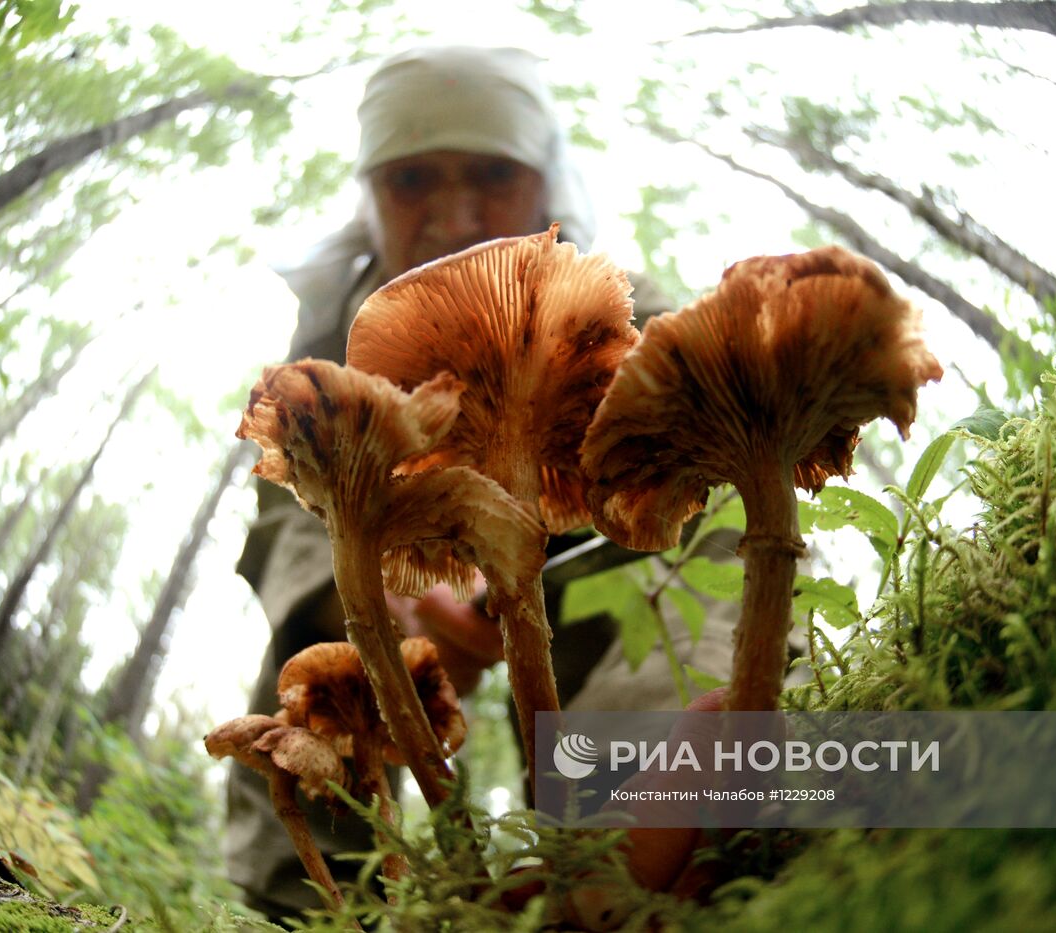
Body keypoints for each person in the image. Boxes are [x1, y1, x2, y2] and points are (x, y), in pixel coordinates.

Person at [228, 45, 736, 919]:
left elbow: (709, 482)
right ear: (371, 197)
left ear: (542, 185)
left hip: (584, 553)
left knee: (672, 558)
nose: (454, 210)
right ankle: (312, 907)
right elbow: (292, 522)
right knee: (313, 682)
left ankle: (657, 827)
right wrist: (377, 602)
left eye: (492, 174)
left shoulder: (619, 310)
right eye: (412, 178)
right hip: (396, 575)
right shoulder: (320, 347)